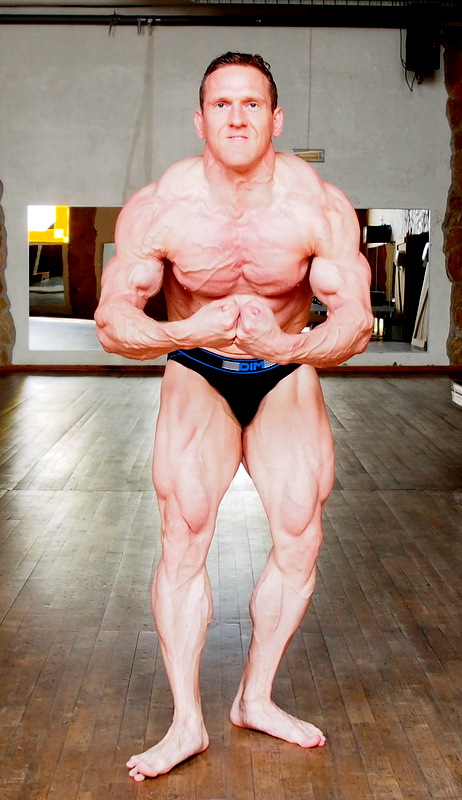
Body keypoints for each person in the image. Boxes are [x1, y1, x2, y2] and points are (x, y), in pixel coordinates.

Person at [94, 51, 373, 781]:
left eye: (252, 103)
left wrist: (288, 345)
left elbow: (356, 323)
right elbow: (113, 321)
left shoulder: (317, 204)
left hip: (284, 367)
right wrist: (189, 330)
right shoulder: (162, 206)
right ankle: (186, 721)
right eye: (222, 104)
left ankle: (256, 696)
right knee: (183, 533)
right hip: (200, 365)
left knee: (300, 536)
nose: (238, 117)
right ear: (200, 119)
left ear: (277, 119)